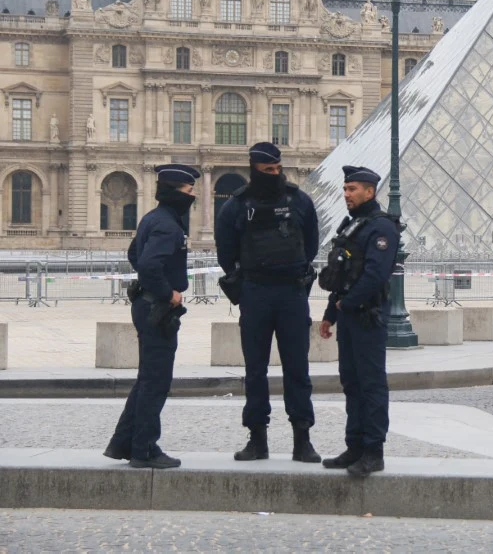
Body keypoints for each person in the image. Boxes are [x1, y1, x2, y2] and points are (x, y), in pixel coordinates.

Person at [214, 142, 321, 464]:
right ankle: (257, 438)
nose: (274, 174)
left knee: (298, 369)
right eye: (267, 170)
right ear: (254, 169)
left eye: (277, 169)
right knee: (255, 370)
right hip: (256, 292)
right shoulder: (236, 206)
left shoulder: (299, 200)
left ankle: (302, 439)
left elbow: (311, 246)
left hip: (290, 293)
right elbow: (225, 253)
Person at [104, 164, 199, 469]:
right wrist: (168, 293)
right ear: (175, 192)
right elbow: (147, 264)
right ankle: (144, 449)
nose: (193, 196)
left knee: (147, 378)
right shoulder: (169, 226)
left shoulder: (152, 218)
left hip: (145, 304)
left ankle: (123, 442)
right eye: (189, 191)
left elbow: (134, 254)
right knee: (156, 381)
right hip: (157, 307)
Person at [319, 166, 400, 477]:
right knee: (351, 383)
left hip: (368, 315)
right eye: (345, 189)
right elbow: (342, 276)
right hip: (349, 315)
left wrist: (347, 303)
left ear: (370, 191)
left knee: (371, 384)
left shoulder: (382, 228)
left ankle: (373, 450)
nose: (346, 194)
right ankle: (354, 446)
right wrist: (331, 314)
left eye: (352, 189)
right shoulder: (353, 226)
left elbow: (375, 275)